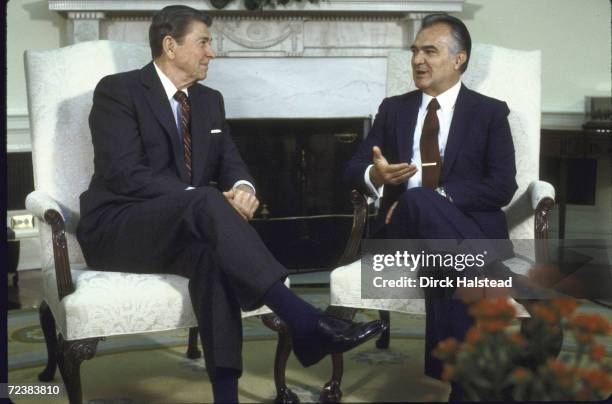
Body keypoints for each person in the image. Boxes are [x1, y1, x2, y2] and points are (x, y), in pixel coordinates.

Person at [76, 5, 385, 403]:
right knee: (204, 201)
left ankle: (227, 395)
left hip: (184, 228)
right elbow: (123, 174)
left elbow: (231, 162)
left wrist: (243, 188)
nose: (212, 52)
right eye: (203, 42)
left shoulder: (209, 100)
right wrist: (201, 199)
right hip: (117, 228)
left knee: (213, 257)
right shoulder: (118, 90)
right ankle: (304, 319)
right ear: (170, 46)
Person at [343, 13, 518, 401]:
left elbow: (503, 186)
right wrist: (378, 175)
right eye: (415, 51)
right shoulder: (394, 108)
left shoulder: (490, 112)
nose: (418, 60)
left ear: (459, 59)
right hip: (403, 230)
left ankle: (465, 387)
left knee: (444, 251)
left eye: (430, 51)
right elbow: (353, 168)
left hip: (459, 234)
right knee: (422, 206)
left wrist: (438, 198)